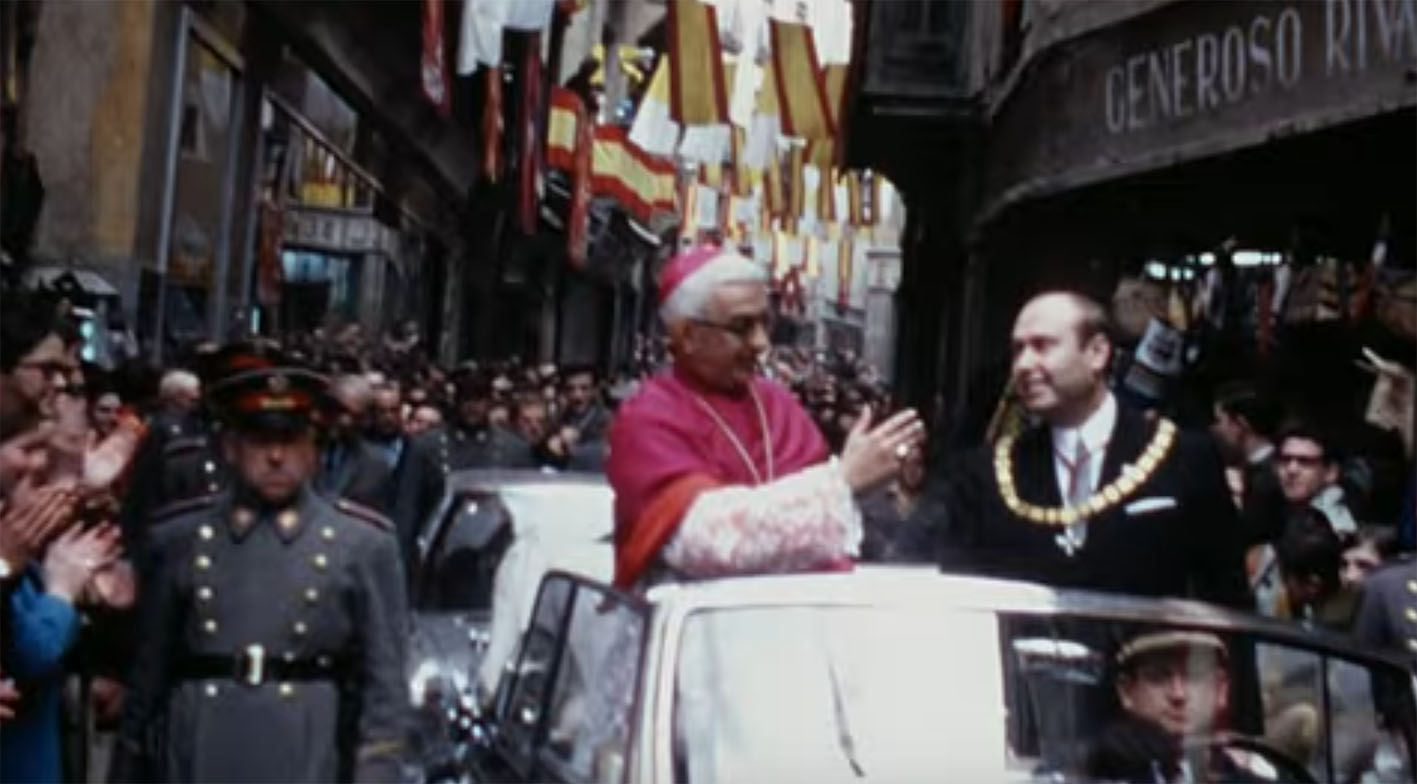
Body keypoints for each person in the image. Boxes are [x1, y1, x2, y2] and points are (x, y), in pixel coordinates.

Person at [113, 362, 408, 783]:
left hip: (308, 748)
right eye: (260, 440)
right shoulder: (180, 537)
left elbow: (385, 688)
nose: (275, 456)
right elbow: (148, 676)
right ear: (230, 447)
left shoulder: (361, 544)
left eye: (291, 440)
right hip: (199, 747)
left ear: (315, 451)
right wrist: (130, 763)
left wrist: (377, 771)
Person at [607, 245, 924, 591]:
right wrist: (844, 481)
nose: (760, 343)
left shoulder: (776, 403)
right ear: (687, 336)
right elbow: (708, 544)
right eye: (742, 327)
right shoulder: (649, 416)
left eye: (764, 324)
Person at [917, 291, 1251, 607]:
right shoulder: (985, 473)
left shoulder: (1182, 457)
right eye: (1018, 350)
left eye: (1042, 346)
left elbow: (1226, 597)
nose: (1023, 364)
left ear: (1097, 353)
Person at [1087, 631, 1271, 783]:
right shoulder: (1089, 775)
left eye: (1195, 675)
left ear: (1221, 689)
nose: (1178, 694)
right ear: (1126, 692)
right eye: (1158, 677)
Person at [1211, 382, 1284, 547]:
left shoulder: (1267, 480)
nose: (1216, 429)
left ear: (1240, 425)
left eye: (1220, 421)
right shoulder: (1262, 471)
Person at [316, 374, 394, 515]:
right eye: (340, 410)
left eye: (355, 416)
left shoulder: (375, 465)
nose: (344, 421)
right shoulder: (300, 449)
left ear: (366, 419)